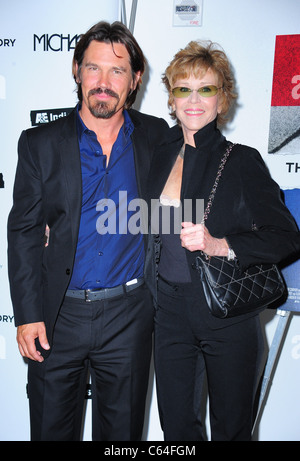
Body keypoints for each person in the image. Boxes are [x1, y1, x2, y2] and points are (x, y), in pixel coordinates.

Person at [7, 21, 168, 441]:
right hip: (57, 316)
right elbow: (23, 233)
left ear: (135, 80)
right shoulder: (39, 143)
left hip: (130, 316)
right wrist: (27, 316)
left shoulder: (158, 137)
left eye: (117, 71)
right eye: (93, 68)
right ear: (76, 70)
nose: (103, 82)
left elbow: (180, 207)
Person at [146, 40, 300, 441]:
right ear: (171, 97)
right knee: (177, 430)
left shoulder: (242, 160)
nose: (194, 99)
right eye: (184, 89)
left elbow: (285, 236)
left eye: (206, 89)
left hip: (227, 315)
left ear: (222, 98)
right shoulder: (159, 152)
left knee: (231, 431)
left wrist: (221, 244)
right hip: (168, 316)